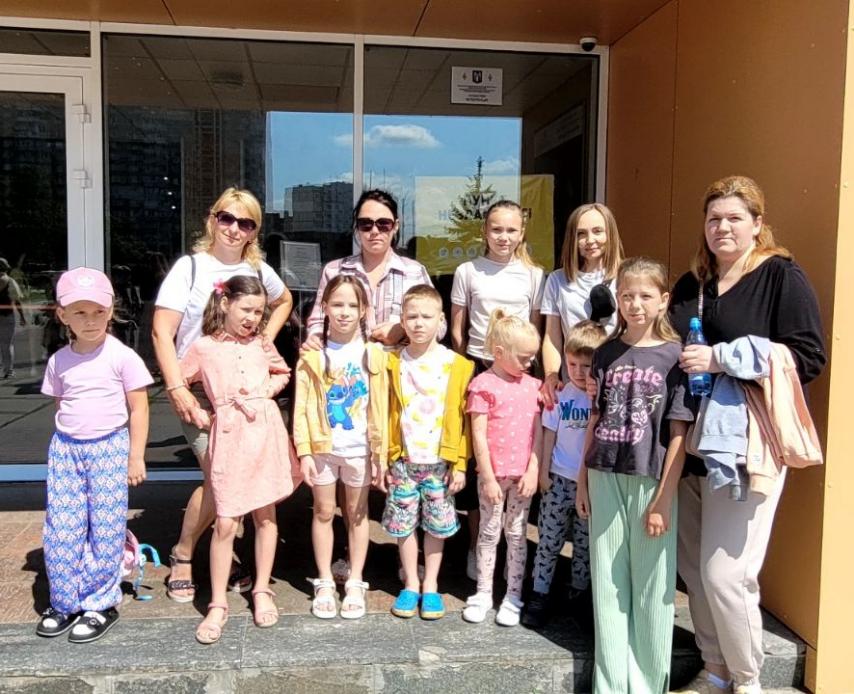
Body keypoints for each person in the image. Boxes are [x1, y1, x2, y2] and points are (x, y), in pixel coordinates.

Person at [669, 176, 826, 694]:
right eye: (714, 218)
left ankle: (748, 680)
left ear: (757, 224)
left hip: (746, 445)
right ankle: (715, 670)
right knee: (694, 571)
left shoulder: (780, 276)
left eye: (735, 218)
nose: (722, 227)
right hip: (690, 442)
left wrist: (723, 358)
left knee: (726, 575)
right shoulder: (693, 284)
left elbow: (808, 357)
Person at [151, 187, 292, 603]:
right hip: (198, 389)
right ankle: (184, 553)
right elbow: (161, 332)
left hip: (242, 390)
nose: (234, 228)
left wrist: (262, 340)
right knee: (219, 479)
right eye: (226, 218)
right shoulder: (191, 268)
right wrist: (177, 388)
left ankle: (224, 551)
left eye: (245, 223)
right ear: (212, 219)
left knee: (237, 479)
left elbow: (283, 300)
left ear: (254, 231)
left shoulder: (258, 269)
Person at [576, 256, 693, 694]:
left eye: (645, 295)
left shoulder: (675, 357)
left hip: (650, 479)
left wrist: (663, 500)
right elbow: (595, 418)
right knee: (608, 585)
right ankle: (610, 684)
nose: (635, 304)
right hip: (604, 473)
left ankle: (646, 685)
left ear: (663, 300)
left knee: (651, 586)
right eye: (627, 295)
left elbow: (679, 434)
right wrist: (583, 481)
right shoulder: (605, 352)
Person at [36, 267, 152, 643]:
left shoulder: (122, 357)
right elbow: (62, 403)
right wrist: (68, 441)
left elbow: (139, 408)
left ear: (111, 311)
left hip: (109, 448)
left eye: (98, 312)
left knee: (105, 527)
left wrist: (136, 456)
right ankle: (64, 601)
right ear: (63, 315)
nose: (90, 320)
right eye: (80, 312)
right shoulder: (59, 361)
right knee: (62, 527)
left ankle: (100, 602)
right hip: (67, 450)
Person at [179, 275, 296, 644]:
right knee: (226, 521)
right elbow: (179, 383)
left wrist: (265, 392)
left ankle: (262, 589)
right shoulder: (203, 347)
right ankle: (217, 603)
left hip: (264, 432)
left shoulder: (261, 343)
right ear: (225, 303)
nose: (252, 318)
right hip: (229, 436)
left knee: (266, 515)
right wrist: (198, 413)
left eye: (259, 312)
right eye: (246, 309)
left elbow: (283, 371)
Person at [450, 199, 545, 580]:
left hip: (519, 374)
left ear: (522, 233)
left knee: (515, 455)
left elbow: (535, 329)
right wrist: (470, 372)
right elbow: (457, 329)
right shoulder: (467, 271)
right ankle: (478, 546)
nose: (503, 237)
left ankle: (511, 552)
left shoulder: (534, 275)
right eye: (496, 229)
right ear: (484, 232)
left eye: (511, 230)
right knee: (481, 457)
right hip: (480, 366)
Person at [293, 275, 389, 620]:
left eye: (352, 305)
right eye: (337, 304)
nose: (344, 312)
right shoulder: (312, 356)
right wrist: (304, 450)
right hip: (323, 447)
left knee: (357, 512)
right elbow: (301, 407)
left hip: (360, 448)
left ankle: (356, 579)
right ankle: (323, 580)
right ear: (325, 307)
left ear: (364, 310)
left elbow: (383, 407)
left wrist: (380, 454)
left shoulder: (374, 355)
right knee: (322, 510)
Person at [379, 284, 474, 620]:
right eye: (411, 317)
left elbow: (464, 420)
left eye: (426, 316)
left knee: (436, 525)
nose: (419, 323)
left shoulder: (458, 365)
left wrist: (459, 463)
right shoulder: (391, 362)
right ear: (402, 321)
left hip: (439, 462)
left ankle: (431, 584)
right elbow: (385, 412)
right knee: (404, 524)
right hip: (403, 460)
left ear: (441, 320)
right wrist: (385, 458)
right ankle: (411, 583)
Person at [522, 319, 607, 629]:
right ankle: (540, 593)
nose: (579, 372)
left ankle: (578, 594)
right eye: (572, 364)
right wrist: (543, 471)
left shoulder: (602, 398)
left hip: (589, 484)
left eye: (586, 365)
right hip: (559, 478)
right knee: (549, 539)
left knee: (585, 544)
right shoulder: (561, 395)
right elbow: (549, 434)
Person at [461, 310, 542, 628]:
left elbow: (538, 433)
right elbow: (478, 435)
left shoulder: (534, 387)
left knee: (518, 534)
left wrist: (534, 469)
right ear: (499, 352)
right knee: (488, 532)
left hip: (522, 476)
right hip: (493, 477)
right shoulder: (483, 385)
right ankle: (483, 592)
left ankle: (512, 595)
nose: (529, 363)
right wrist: (488, 477)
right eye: (523, 357)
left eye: (532, 356)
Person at [304, 189, 436, 349]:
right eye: (366, 224)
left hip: (400, 362)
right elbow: (318, 321)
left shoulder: (414, 272)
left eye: (383, 224)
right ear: (357, 228)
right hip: (346, 362)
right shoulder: (335, 271)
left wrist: (403, 330)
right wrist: (315, 338)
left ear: (395, 226)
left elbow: (438, 326)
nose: (374, 231)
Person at [540, 203, 624, 408]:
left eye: (597, 231)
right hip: (573, 384)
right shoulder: (557, 280)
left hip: (615, 381)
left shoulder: (626, 275)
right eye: (581, 234)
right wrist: (551, 375)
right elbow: (552, 336)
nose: (590, 240)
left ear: (610, 234)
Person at [0, 257, 26, 378]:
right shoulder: (10, 281)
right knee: (7, 344)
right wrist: (22, 316)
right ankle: (8, 371)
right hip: (7, 315)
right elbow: (17, 301)